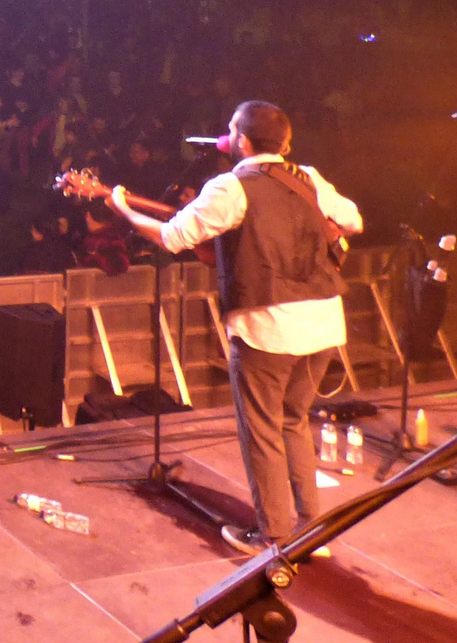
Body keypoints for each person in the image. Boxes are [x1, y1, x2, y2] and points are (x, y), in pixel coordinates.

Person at [110, 100, 362, 556]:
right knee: (294, 421)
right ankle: (312, 528)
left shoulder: (231, 186)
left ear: (242, 141)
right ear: (285, 143)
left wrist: (124, 210)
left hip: (268, 326)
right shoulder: (310, 177)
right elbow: (353, 220)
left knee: (262, 430)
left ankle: (273, 537)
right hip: (324, 320)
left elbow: (172, 237)